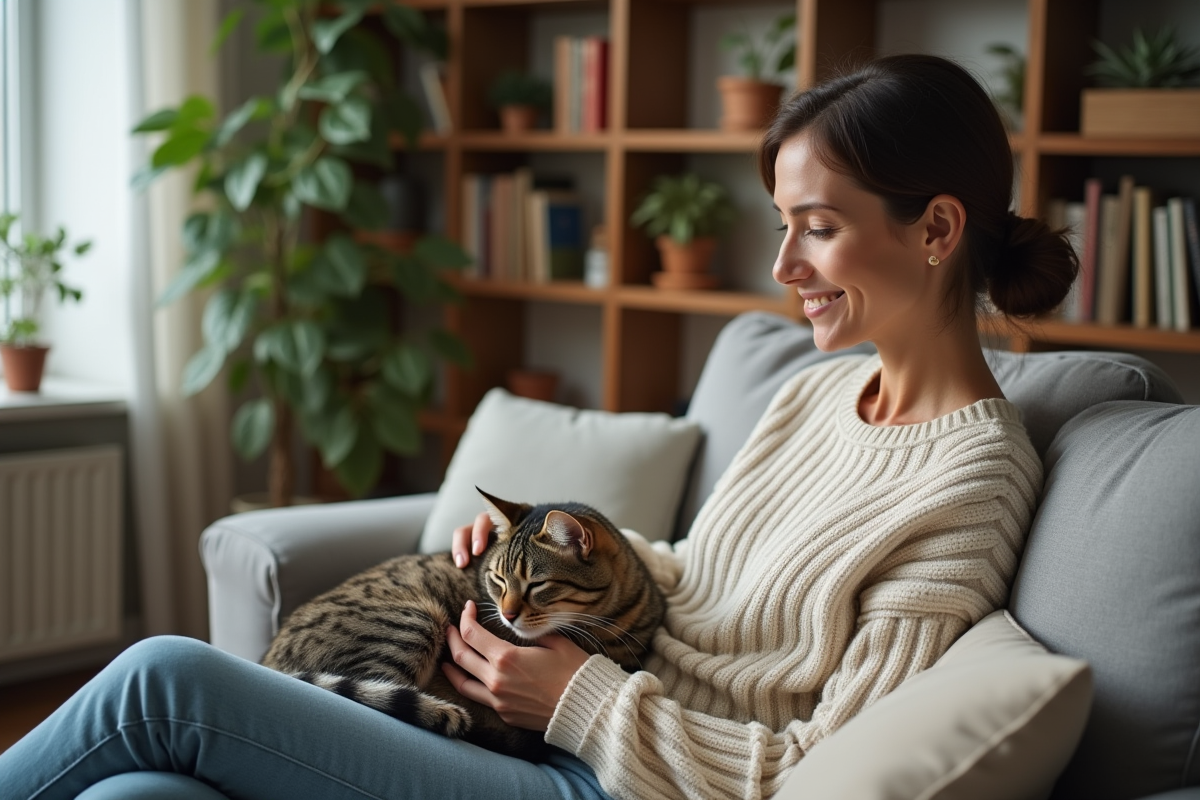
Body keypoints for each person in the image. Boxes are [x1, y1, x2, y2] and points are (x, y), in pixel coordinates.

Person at [0, 54, 1075, 800]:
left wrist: (580, 697)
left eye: (819, 229)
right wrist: (555, 557)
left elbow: (817, 770)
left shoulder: (973, 477)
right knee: (141, 790)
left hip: (609, 776)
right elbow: (707, 582)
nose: (784, 266)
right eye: (783, 227)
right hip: (565, 716)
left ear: (936, 229)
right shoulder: (814, 392)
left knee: (164, 678)